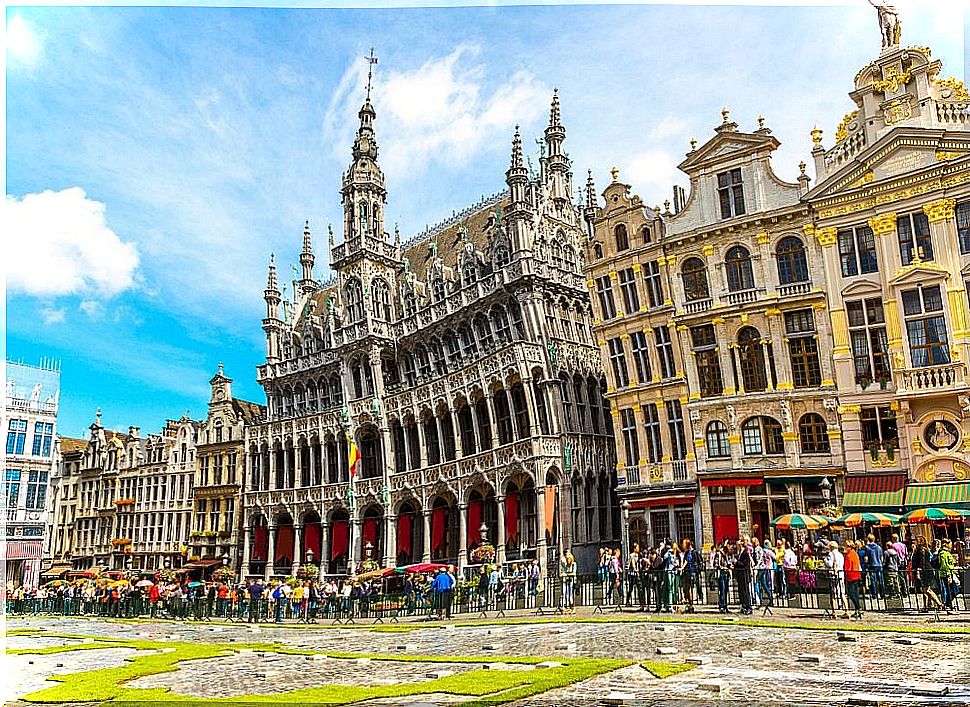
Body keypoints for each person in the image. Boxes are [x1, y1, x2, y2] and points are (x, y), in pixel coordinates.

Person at [824, 540, 849, 619]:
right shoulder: (840, 555)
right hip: (841, 574)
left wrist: (825, 560)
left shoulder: (831, 554)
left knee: (833, 594)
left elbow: (830, 564)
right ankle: (847, 610)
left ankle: (834, 612)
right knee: (842, 593)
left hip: (834, 575)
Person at [734, 538, 753, 615]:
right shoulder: (739, 553)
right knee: (741, 591)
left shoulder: (745, 553)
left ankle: (748, 607)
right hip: (740, 575)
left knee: (745, 592)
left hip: (744, 574)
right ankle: (743, 606)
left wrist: (737, 562)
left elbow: (745, 564)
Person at [844, 540, 863, 619]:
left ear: (849, 547)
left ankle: (858, 607)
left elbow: (847, 567)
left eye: (846, 546)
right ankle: (857, 609)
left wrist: (846, 574)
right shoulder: (854, 553)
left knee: (852, 594)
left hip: (851, 575)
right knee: (855, 593)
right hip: (856, 574)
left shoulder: (849, 555)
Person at [712, 540, 732, 613]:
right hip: (721, 574)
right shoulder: (719, 553)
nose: (730, 547)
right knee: (722, 590)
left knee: (726, 590)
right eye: (729, 545)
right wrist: (723, 568)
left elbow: (728, 562)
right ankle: (722, 606)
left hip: (727, 574)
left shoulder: (728, 554)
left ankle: (725, 606)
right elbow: (716, 564)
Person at [864, 534, 885, 600]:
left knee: (873, 580)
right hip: (879, 565)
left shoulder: (867, 547)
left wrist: (866, 563)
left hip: (871, 565)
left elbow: (866, 558)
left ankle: (874, 595)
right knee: (880, 580)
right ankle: (882, 594)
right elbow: (881, 557)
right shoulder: (879, 547)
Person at [681, 539, 699, 613]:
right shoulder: (686, 552)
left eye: (683, 543)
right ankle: (689, 604)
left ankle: (690, 605)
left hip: (690, 572)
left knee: (688, 589)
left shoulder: (689, 552)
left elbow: (687, 560)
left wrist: (682, 568)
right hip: (687, 572)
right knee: (685, 589)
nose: (682, 545)